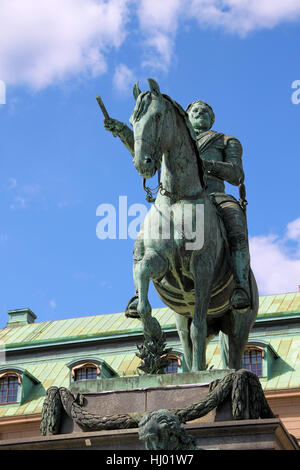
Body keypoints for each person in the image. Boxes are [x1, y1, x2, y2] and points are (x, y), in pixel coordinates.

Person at [103, 99, 251, 315]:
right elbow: (145, 151)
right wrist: (122, 131)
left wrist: (207, 165)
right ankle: (138, 294)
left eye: (206, 111)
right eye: (195, 110)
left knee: (236, 227)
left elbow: (237, 174)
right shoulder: (174, 139)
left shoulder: (227, 141)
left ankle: (240, 287)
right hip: (174, 200)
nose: (200, 112)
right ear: (187, 117)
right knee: (142, 238)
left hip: (216, 197)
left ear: (211, 119)